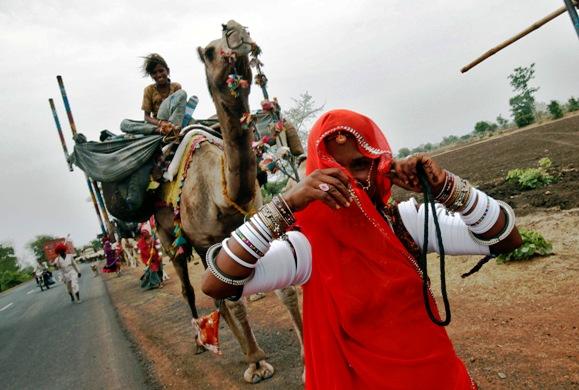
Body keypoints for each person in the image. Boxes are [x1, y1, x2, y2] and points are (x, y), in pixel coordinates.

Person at [201, 109, 523, 388]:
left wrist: (444, 187)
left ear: (379, 163)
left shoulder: (406, 222)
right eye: (335, 172)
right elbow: (218, 282)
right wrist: (285, 204)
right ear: (316, 176)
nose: (351, 181)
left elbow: (506, 239)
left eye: (359, 165)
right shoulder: (306, 248)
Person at [120, 53, 187, 136]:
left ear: (168, 71)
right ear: (151, 76)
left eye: (161, 71)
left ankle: (172, 128)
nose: (158, 75)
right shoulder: (149, 90)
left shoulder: (176, 86)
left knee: (182, 94)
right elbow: (147, 117)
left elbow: (179, 111)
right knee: (124, 124)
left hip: (174, 121)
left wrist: (169, 123)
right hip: (157, 124)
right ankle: (161, 130)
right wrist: (161, 123)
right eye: (154, 73)